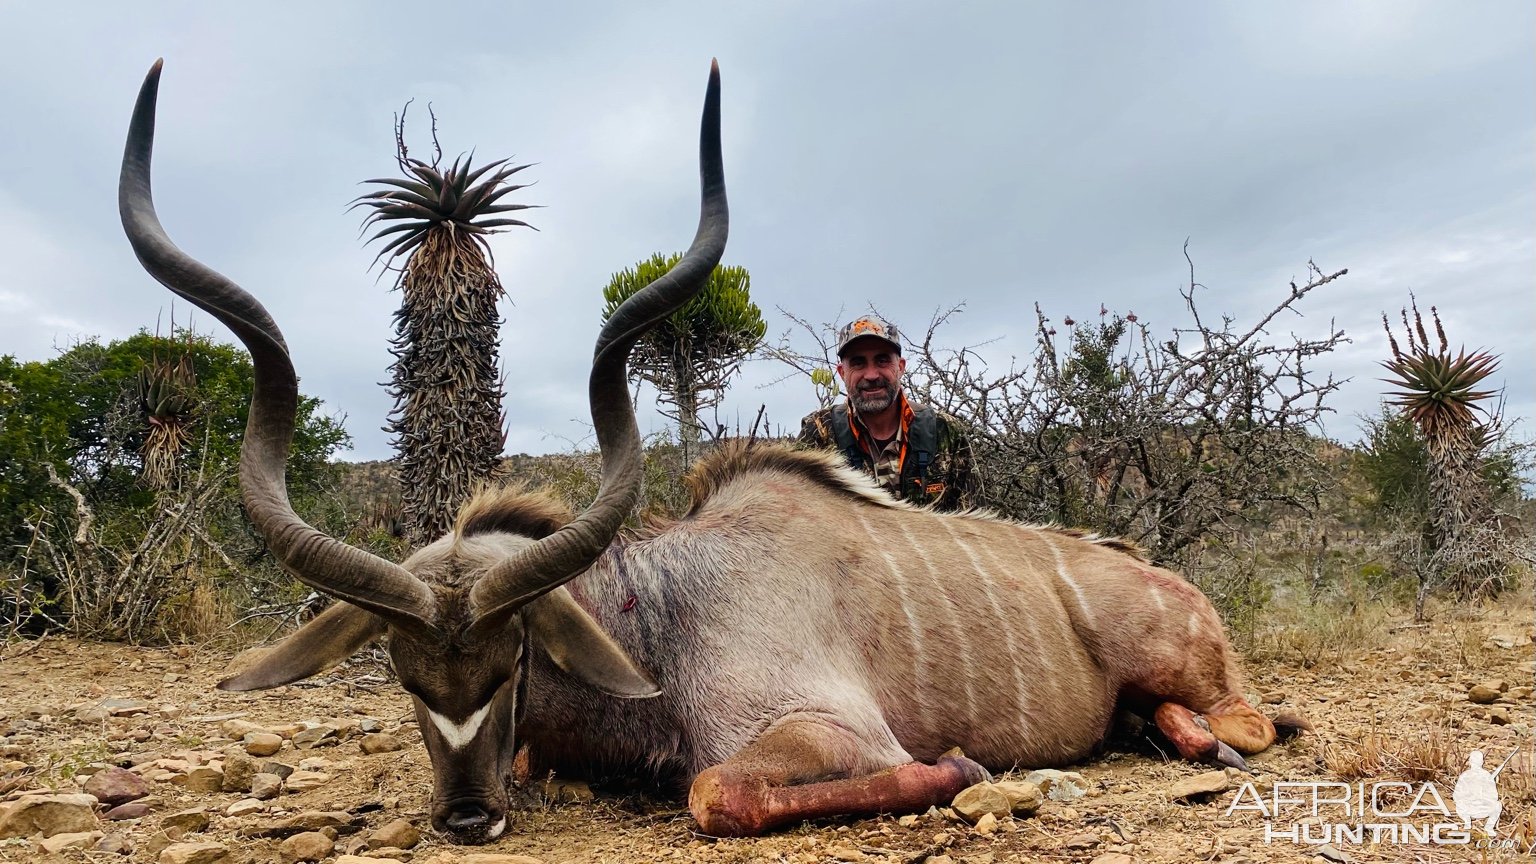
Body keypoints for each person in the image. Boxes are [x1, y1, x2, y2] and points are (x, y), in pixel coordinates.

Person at [798, 315, 980, 511]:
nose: (871, 375)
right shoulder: (818, 432)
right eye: (858, 363)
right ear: (842, 372)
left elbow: (974, 526)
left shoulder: (945, 431)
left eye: (882, 360)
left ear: (900, 367)